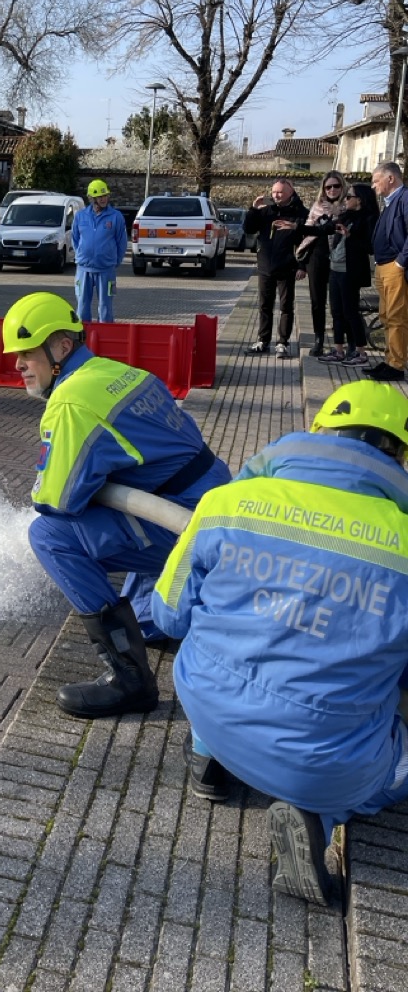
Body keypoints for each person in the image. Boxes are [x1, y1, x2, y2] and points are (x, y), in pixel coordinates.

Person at [152, 381, 408, 906]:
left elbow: (167, 616)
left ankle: (207, 756)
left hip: (205, 704)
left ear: (319, 433)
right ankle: (319, 813)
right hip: (325, 763)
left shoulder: (226, 502)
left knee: (221, 659)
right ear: (400, 456)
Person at [1, 292, 229, 719]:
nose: (18, 365)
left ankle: (130, 681)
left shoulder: (69, 403)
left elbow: (56, 501)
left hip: (187, 527)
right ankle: (159, 619)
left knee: (49, 536)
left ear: (61, 348)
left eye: (27, 354)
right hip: (209, 505)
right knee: (142, 620)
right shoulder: (118, 372)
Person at [244, 178, 308, 358]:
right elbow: (248, 229)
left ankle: (282, 342)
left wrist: (302, 265)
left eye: (280, 192)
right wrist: (253, 209)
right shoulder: (266, 212)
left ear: (290, 192)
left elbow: (305, 242)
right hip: (265, 266)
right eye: (273, 192)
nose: (276, 195)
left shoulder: (300, 213)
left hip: (287, 267)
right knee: (265, 305)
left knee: (286, 306)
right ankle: (263, 340)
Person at [316, 182, 378, 367]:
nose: (345, 200)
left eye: (349, 197)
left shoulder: (369, 219)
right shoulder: (345, 216)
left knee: (350, 311)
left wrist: (351, 235)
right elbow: (323, 229)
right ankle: (338, 349)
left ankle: (360, 352)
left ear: (359, 200)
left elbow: (370, 247)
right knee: (336, 311)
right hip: (335, 268)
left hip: (350, 271)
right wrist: (296, 227)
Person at [295, 170, 346, 357]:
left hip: (339, 258)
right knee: (317, 301)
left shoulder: (348, 205)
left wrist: (336, 214)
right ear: (323, 189)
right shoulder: (317, 206)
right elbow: (308, 233)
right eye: (328, 187)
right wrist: (302, 264)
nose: (332, 190)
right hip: (317, 256)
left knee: (338, 302)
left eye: (336, 186)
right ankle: (319, 340)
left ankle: (342, 342)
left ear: (342, 186)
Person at [365, 161, 408, 382]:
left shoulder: (405, 198)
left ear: (390, 178)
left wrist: (401, 262)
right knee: (386, 316)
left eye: (376, 180)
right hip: (383, 267)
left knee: (396, 317)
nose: (373, 186)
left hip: (395, 266)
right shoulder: (390, 203)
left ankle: (397, 365)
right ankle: (390, 359)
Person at [71, 180, 127, 324]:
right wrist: (82, 256)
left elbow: (122, 242)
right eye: (100, 196)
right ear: (92, 198)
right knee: (82, 307)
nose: (104, 199)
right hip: (84, 269)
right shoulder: (80, 216)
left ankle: (106, 339)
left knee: (105, 307)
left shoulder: (116, 217)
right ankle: (83, 338)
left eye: (106, 195)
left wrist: (114, 261)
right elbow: (75, 238)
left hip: (106, 269)